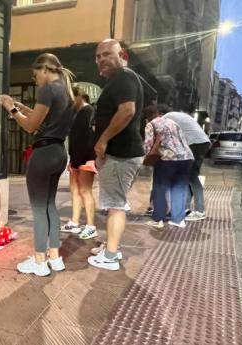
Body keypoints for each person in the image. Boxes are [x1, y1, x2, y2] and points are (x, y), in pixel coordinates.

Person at [0, 53, 75, 276]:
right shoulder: (67, 91)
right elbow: (44, 120)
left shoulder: (48, 89)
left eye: (35, 76)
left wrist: (11, 109)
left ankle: (40, 261)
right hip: (60, 152)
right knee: (50, 206)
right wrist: (22, 108)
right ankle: (54, 257)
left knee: (39, 209)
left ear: (44, 70)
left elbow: (32, 127)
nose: (35, 80)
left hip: (43, 154)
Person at [87, 39, 145, 271]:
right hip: (121, 154)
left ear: (123, 55)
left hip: (119, 155)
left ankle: (110, 255)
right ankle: (110, 246)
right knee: (114, 204)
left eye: (106, 54)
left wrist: (102, 141)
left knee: (115, 205)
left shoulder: (123, 77)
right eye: (98, 56)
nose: (101, 60)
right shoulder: (121, 79)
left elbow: (127, 110)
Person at [143, 105, 194, 228]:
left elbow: (148, 145)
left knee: (160, 187)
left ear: (147, 117)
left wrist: (147, 157)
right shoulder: (173, 122)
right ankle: (178, 220)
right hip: (186, 158)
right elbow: (183, 140)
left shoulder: (151, 124)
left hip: (167, 159)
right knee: (179, 188)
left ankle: (158, 219)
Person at [61, 87, 97, 239]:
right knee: (75, 190)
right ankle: (75, 222)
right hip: (76, 157)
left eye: (71, 99)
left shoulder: (88, 111)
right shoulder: (76, 112)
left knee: (85, 191)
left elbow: (86, 138)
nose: (69, 103)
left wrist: (78, 160)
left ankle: (90, 225)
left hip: (86, 157)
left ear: (79, 97)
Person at [163, 110, 210, 221]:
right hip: (200, 143)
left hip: (196, 144)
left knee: (191, 176)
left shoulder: (166, 117)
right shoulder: (174, 115)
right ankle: (186, 208)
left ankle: (200, 210)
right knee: (187, 177)